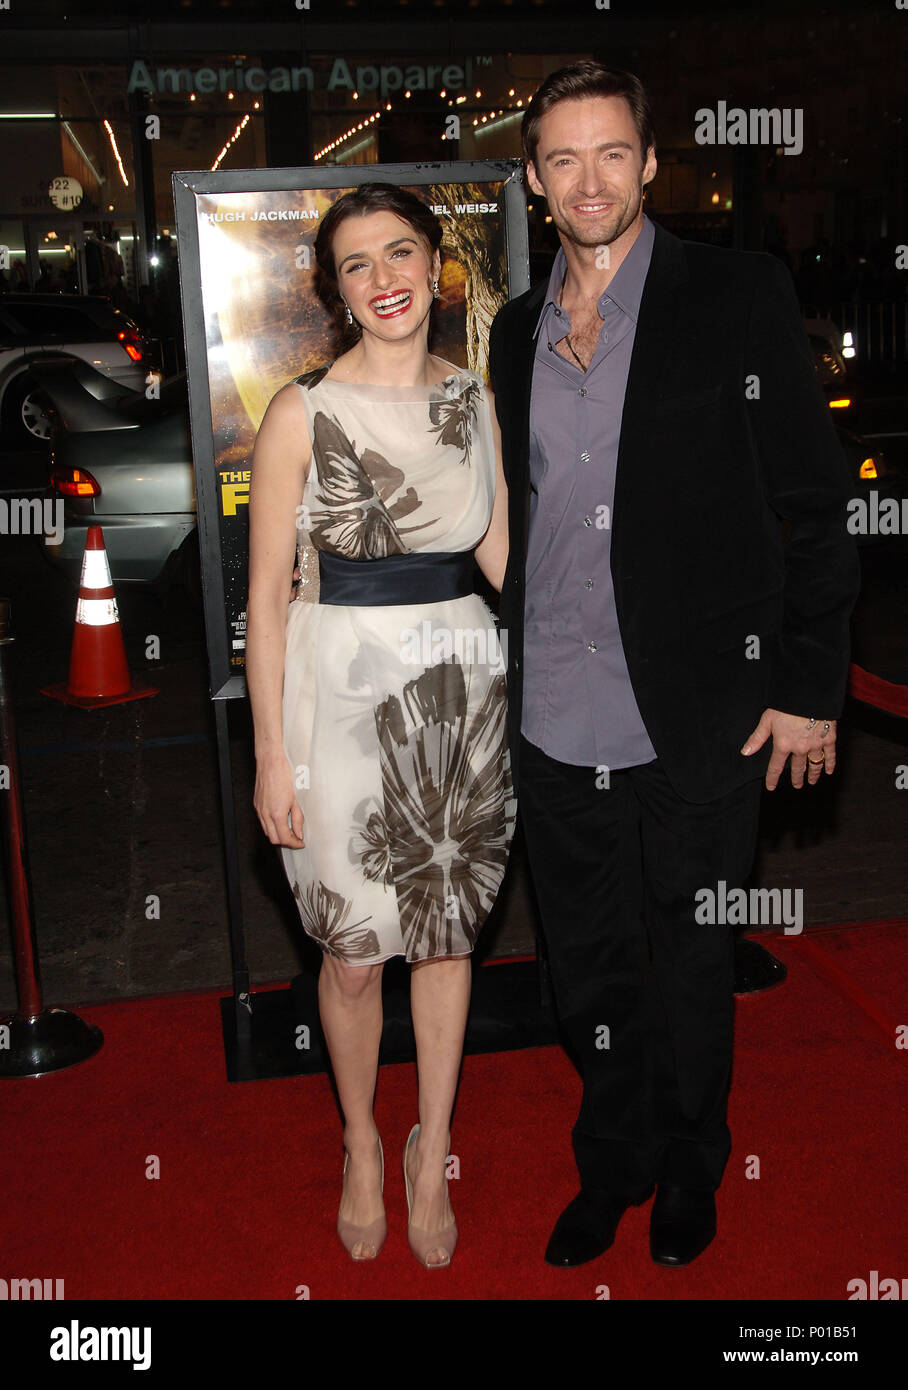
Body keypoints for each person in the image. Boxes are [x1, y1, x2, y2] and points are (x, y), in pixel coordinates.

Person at [488, 62, 860, 1269]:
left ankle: (694, 1161)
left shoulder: (735, 294)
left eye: (610, 153)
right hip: (549, 706)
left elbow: (811, 501)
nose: (587, 179)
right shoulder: (510, 329)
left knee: (689, 953)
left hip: (699, 706)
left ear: (648, 163)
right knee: (585, 969)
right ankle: (616, 1160)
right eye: (561, 159)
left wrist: (807, 683)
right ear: (534, 182)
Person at [245, 183, 515, 1269]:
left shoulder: (476, 402)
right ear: (336, 289)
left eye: (399, 252)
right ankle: (361, 1139)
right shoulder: (298, 412)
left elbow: (507, 567)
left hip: (460, 687)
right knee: (352, 955)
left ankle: (430, 1144)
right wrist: (271, 752)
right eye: (356, 264)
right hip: (333, 692)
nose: (383, 278)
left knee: (447, 940)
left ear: (436, 265)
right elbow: (265, 598)